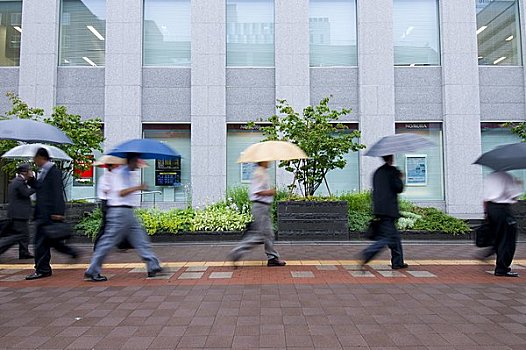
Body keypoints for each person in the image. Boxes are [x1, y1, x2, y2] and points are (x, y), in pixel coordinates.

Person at [84, 153, 162, 281]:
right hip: (119, 211)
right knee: (108, 241)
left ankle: (153, 265)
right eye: (136, 162)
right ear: (131, 161)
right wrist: (139, 187)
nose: (138, 166)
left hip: (127, 211)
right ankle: (92, 269)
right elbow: (121, 192)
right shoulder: (119, 173)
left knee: (140, 238)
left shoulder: (127, 173)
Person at [26, 148, 79, 280]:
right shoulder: (44, 171)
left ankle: (42, 269)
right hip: (43, 213)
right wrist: (31, 179)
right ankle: (71, 253)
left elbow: (57, 193)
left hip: (48, 214)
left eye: (35, 158)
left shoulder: (53, 172)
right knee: (50, 242)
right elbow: (40, 189)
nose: (34, 161)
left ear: (41, 157)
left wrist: (58, 212)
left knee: (40, 243)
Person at [229, 161, 286, 267]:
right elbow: (257, 191)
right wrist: (270, 192)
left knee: (268, 234)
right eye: (267, 160)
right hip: (260, 206)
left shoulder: (262, 172)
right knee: (261, 235)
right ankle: (237, 252)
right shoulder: (259, 173)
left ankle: (272, 257)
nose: (269, 162)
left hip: (263, 206)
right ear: (262, 161)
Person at [361, 154, 407, 269]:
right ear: (390, 158)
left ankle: (398, 262)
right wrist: (400, 178)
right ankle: (369, 252)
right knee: (389, 238)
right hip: (389, 210)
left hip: (379, 209)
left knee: (394, 237)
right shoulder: (393, 172)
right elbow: (399, 188)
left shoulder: (377, 173)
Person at [481, 171, 523, 277]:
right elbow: (514, 196)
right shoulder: (507, 176)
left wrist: (486, 213)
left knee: (498, 235)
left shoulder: (489, 177)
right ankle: (502, 268)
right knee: (508, 239)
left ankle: (492, 251)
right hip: (503, 209)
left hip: (491, 208)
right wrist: (518, 183)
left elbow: (485, 198)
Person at [0, 164, 35, 259]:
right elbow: (26, 193)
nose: (31, 172)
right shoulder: (19, 182)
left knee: (21, 235)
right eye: (29, 171)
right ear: (24, 172)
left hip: (17, 213)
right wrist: (35, 187)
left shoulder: (18, 181)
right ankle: (23, 252)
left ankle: (24, 252)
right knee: (19, 235)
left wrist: (31, 180)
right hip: (19, 214)